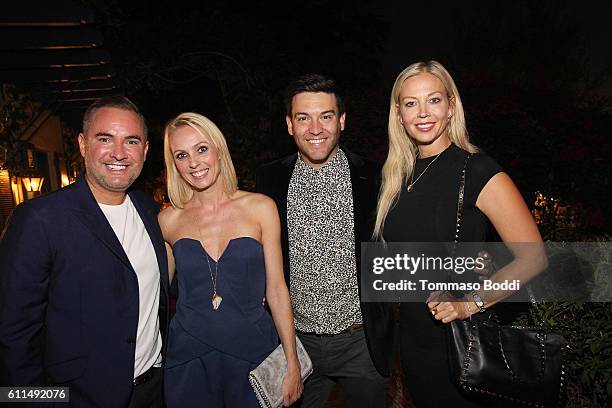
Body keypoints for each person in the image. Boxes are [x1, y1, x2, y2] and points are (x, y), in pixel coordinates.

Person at [373, 60, 546, 407]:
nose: (423, 113)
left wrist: (469, 302)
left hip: (459, 345)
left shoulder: (478, 169)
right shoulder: (397, 176)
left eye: (434, 100)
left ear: (451, 106)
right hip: (412, 345)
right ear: (398, 113)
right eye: (411, 103)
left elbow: (534, 257)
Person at [0, 96, 170, 407]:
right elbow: (12, 335)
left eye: (131, 141)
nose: (118, 153)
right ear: (82, 144)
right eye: (105, 139)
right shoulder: (39, 219)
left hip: (153, 390)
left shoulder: (149, 209)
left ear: (145, 150)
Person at [255, 74, 393, 408]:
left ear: (341, 121)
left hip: (362, 341)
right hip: (298, 344)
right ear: (290, 124)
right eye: (303, 118)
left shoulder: (378, 176)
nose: (315, 129)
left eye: (326, 116)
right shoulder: (269, 178)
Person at [159, 112, 302, 407]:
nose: (194, 163)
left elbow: (276, 288)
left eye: (201, 149)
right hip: (189, 356)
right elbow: (154, 291)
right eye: (181, 155)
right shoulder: (168, 219)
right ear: (174, 163)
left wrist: (292, 360)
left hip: (254, 351)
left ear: (218, 149)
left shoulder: (260, 207)